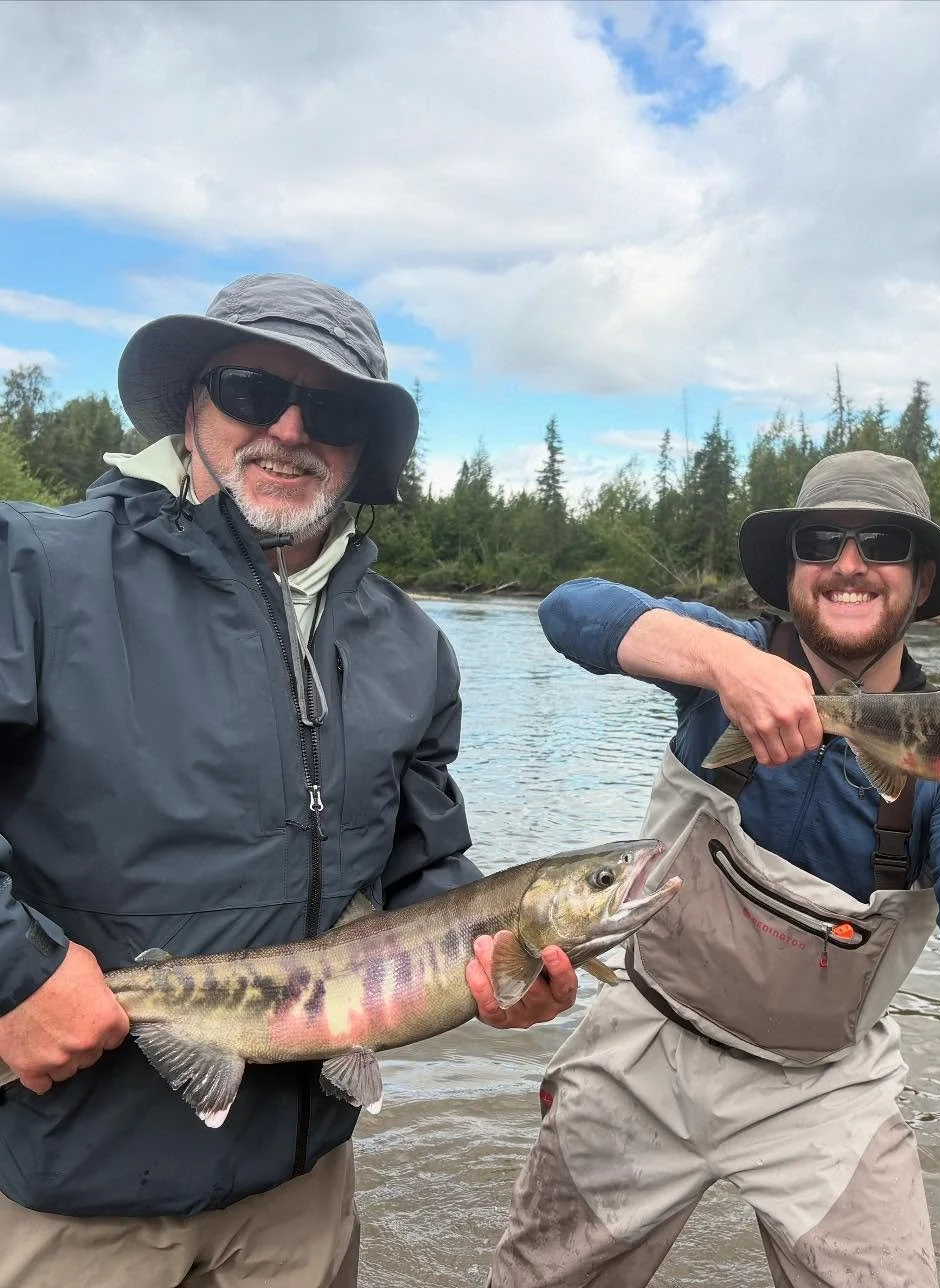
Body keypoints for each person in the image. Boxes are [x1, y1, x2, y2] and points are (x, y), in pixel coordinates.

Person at [482, 449, 940, 1287]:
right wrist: (725, 664)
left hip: (824, 1088)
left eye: (882, 544)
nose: (849, 564)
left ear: (920, 583)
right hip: (649, 1044)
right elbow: (572, 610)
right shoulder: (725, 661)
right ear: (792, 573)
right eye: (822, 541)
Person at [0, 273, 577, 1288]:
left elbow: (427, 868)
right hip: (68, 1191)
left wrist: (499, 965)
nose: (291, 426)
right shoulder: (34, 570)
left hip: (300, 1196)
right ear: (191, 404)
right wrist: (12, 974)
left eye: (338, 407)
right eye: (250, 388)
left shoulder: (414, 648)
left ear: (365, 447)